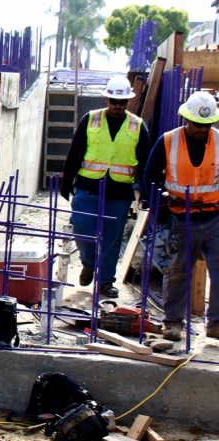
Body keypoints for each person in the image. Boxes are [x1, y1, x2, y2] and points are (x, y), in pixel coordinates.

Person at [59, 75, 150, 299]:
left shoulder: (137, 126)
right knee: (80, 226)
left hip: (118, 192)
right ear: (107, 99)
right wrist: (66, 180)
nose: (117, 106)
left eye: (122, 103)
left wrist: (145, 193)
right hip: (88, 187)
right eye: (113, 101)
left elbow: (146, 162)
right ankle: (88, 263)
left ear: (127, 102)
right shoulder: (90, 119)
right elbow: (75, 152)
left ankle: (106, 281)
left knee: (112, 238)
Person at [142, 90, 219, 341]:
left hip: (213, 217)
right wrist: (163, 199)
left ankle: (215, 324)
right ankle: (173, 322)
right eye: (198, 124)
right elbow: (149, 177)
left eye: (207, 125)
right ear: (186, 119)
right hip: (179, 217)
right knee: (177, 272)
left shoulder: (218, 141)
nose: (202, 130)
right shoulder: (168, 141)